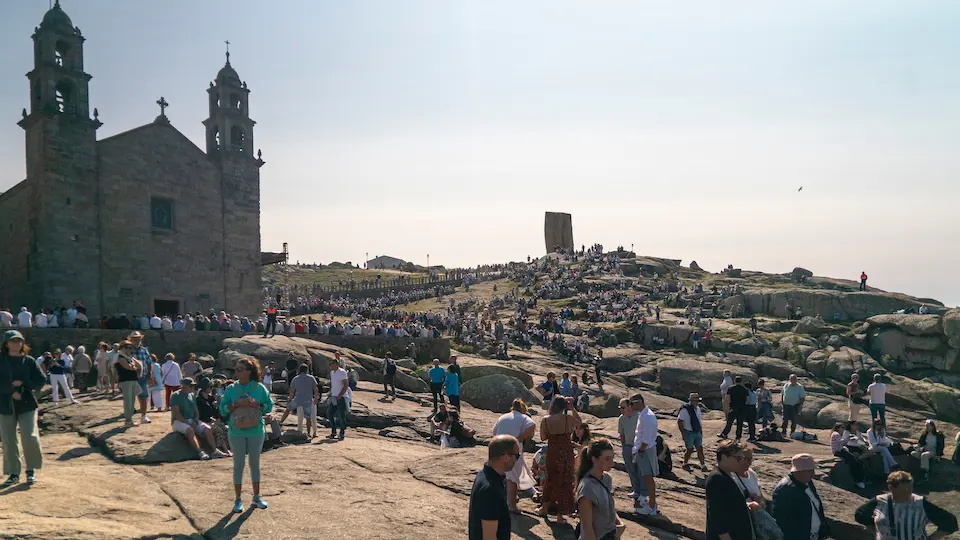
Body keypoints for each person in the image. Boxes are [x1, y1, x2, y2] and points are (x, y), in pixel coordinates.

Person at [219, 356, 274, 513]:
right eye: (236, 369)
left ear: (249, 371)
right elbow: (222, 409)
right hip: (236, 431)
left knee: (254, 464)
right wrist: (235, 405)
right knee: (238, 465)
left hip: (256, 431)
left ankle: (256, 497)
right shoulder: (231, 389)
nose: (236, 372)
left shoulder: (259, 388)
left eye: (240, 369)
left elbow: (269, 406)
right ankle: (238, 499)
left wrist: (258, 405)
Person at [0, 330, 46, 487]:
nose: (16, 343)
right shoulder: (1, 360)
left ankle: (31, 470)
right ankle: (13, 473)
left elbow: (41, 380)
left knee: (30, 437)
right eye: (12, 341)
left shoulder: (29, 361)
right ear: (6, 344)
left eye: (18, 341)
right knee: (8, 440)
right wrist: (10, 391)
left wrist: (24, 383)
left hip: (27, 404)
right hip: (5, 405)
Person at [854, 471, 958, 540]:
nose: (908, 492)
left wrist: (932, 538)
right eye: (904, 490)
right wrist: (874, 529)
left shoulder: (920, 503)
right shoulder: (879, 501)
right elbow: (860, 514)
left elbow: (950, 522)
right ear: (891, 488)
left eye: (910, 488)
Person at [538, 395, 581, 524]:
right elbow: (580, 424)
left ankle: (544, 508)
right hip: (566, 453)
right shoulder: (568, 418)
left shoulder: (545, 420)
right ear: (564, 406)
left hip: (553, 452)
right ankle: (560, 515)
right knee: (565, 482)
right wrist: (572, 409)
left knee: (550, 479)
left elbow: (543, 437)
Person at [468, 434, 519, 540]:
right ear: (506, 457)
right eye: (517, 456)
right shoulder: (490, 490)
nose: (517, 460)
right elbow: (489, 537)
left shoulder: (486, 474)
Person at [492, 399, 537, 514]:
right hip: (512, 449)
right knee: (512, 478)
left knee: (501, 475)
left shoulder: (502, 417)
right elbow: (532, 425)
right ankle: (511, 505)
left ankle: (500, 500)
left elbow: (494, 432)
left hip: (498, 448)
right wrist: (521, 438)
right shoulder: (523, 417)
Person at [771, 454, 829, 540]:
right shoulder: (785, 489)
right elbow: (780, 520)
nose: (813, 474)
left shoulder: (807, 482)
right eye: (809, 471)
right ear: (798, 471)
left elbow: (816, 507)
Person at [575, 438, 624, 540]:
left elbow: (609, 508)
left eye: (612, 458)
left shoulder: (607, 479)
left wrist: (620, 524)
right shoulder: (587, 487)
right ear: (594, 459)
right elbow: (587, 528)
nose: (612, 463)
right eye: (607, 459)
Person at [705, 440, 754, 540]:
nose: (741, 461)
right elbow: (717, 517)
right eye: (738, 458)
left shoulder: (728, 474)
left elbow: (727, 504)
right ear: (724, 457)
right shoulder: (717, 479)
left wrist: (744, 505)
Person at [170, 378, 224, 460]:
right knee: (190, 430)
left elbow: (196, 411)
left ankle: (214, 450)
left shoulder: (192, 395)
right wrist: (189, 424)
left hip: (192, 420)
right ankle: (200, 452)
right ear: (184, 386)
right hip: (178, 421)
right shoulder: (175, 396)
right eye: (191, 386)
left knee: (207, 429)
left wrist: (195, 420)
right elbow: (177, 415)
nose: (193, 388)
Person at [632, 393, 661, 516]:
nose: (631, 406)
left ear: (639, 402)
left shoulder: (647, 416)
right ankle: (650, 503)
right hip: (643, 449)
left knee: (648, 478)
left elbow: (647, 437)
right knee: (646, 477)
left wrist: (641, 450)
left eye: (632, 403)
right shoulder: (643, 414)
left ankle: (652, 505)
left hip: (645, 450)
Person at [617, 398, 645, 501]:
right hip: (628, 447)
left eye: (623, 407)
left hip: (639, 447)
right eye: (620, 408)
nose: (621, 410)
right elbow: (622, 434)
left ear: (630, 406)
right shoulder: (621, 419)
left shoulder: (639, 416)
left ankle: (643, 493)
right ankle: (636, 491)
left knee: (641, 471)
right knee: (631, 470)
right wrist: (624, 446)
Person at [282, 364, 318, 438]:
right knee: (308, 418)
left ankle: (281, 422)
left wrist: (290, 399)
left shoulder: (295, 378)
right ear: (307, 370)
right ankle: (309, 433)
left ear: (299, 370)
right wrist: (316, 398)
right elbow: (315, 389)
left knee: (288, 409)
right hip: (308, 400)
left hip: (298, 399)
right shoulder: (311, 378)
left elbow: (292, 391)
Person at [678, 392, 708, 472]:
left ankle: (703, 465)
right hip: (689, 432)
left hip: (697, 431)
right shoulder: (685, 409)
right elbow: (680, 421)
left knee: (700, 449)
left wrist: (701, 431)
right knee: (690, 449)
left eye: (697, 400)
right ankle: (685, 463)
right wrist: (683, 433)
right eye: (695, 400)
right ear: (691, 401)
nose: (696, 402)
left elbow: (699, 421)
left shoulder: (698, 409)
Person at [831, 422, 867, 489]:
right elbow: (841, 442)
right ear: (838, 428)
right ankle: (858, 480)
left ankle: (860, 480)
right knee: (854, 461)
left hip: (842, 450)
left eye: (844, 427)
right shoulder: (836, 434)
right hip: (838, 451)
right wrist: (848, 438)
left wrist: (848, 439)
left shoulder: (839, 434)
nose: (843, 429)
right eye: (842, 427)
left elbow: (843, 443)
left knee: (856, 461)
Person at [115, 341, 142, 426]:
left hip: (132, 380)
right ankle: (128, 420)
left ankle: (130, 419)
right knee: (128, 401)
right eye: (127, 347)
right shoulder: (120, 357)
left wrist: (138, 372)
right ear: (122, 348)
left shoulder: (130, 357)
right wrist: (135, 367)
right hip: (125, 381)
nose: (129, 349)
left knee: (132, 400)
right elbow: (129, 367)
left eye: (130, 348)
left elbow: (139, 365)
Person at [129, 331, 154, 425]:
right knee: (130, 398)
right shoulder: (128, 350)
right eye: (135, 339)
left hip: (143, 377)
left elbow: (149, 362)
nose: (137, 341)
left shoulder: (144, 350)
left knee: (143, 397)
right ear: (131, 340)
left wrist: (150, 373)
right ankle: (129, 418)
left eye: (138, 339)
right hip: (131, 377)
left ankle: (143, 416)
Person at [327, 356, 352, 441]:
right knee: (329, 413)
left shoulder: (342, 372)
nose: (330, 366)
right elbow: (333, 384)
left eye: (331, 364)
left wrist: (340, 395)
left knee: (341, 415)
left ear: (336, 364)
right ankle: (333, 431)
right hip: (334, 396)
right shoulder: (332, 373)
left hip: (341, 397)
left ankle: (341, 434)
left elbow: (346, 385)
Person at [719, 376, 750, 441]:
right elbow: (748, 400)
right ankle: (738, 437)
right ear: (741, 381)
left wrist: (728, 406)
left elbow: (727, 398)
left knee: (729, 422)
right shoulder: (745, 389)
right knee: (740, 423)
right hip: (741, 408)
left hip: (733, 407)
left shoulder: (731, 388)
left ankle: (724, 434)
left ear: (734, 381)